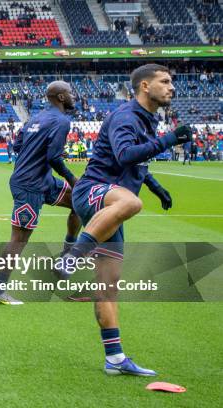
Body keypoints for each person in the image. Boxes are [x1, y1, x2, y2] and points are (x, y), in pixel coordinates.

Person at [57, 64, 192, 376]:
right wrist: (170, 140)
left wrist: (157, 187)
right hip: (92, 192)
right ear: (145, 86)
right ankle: (71, 258)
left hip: (110, 202)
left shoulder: (146, 118)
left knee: (108, 286)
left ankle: (115, 359)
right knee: (132, 202)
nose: (172, 87)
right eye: (165, 81)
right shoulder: (126, 116)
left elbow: (139, 163)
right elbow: (125, 155)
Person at [0, 81, 81, 306]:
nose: (73, 96)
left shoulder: (36, 118)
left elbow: (18, 145)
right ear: (60, 97)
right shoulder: (61, 121)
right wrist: (73, 179)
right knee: (19, 239)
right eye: (70, 93)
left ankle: (66, 260)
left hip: (42, 180)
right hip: (29, 185)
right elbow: (54, 157)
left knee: (80, 201)